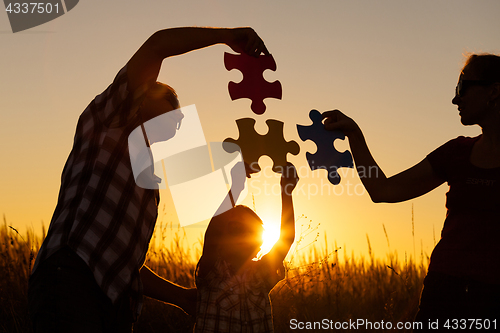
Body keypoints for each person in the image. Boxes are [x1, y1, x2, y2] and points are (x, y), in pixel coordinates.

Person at [28, 27, 270, 333]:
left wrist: (182, 297)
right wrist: (226, 36)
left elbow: (124, 266)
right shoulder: (110, 121)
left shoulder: (147, 183)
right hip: (69, 280)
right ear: (141, 97)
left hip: (113, 305)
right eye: (171, 102)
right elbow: (157, 45)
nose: (179, 115)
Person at [322, 53, 500, 330]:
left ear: (494, 90)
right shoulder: (456, 152)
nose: (456, 99)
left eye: (462, 87)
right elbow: (382, 189)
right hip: (443, 295)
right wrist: (354, 134)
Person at [194, 163, 299, 333]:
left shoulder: (261, 274)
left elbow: (287, 239)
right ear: (222, 239)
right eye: (236, 228)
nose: (244, 236)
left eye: (253, 232)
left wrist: (286, 191)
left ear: (259, 243)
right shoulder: (213, 272)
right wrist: (236, 187)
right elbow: (213, 232)